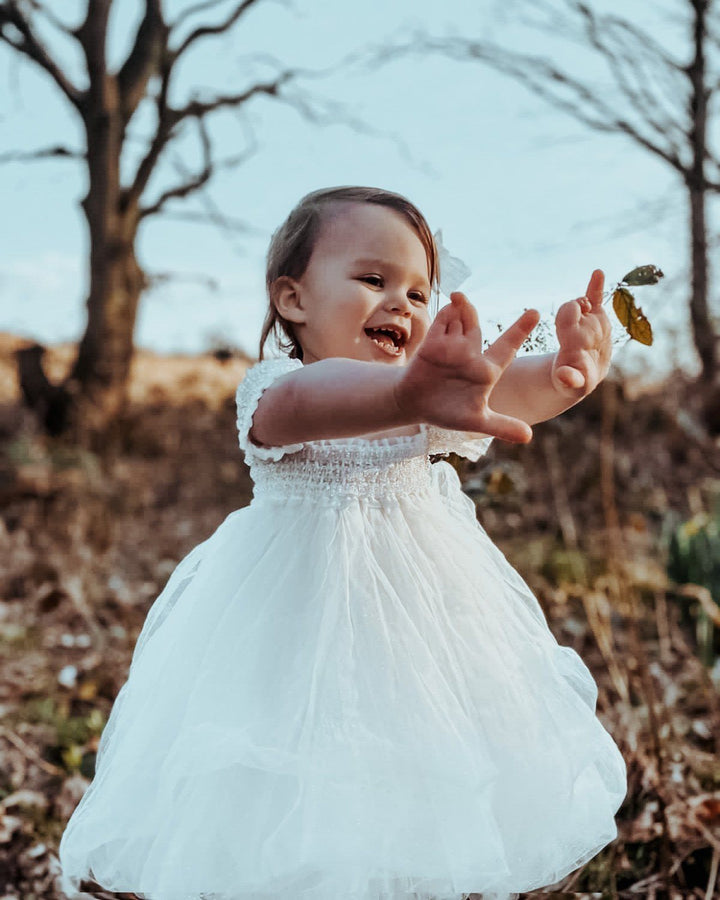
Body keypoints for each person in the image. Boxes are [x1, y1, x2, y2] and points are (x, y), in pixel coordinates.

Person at [58, 186, 627, 900]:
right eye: (373, 280)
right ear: (293, 299)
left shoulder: (424, 400)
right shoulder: (280, 388)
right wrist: (407, 396)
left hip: (420, 637)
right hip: (295, 643)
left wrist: (566, 376)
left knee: (418, 784)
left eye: (421, 293)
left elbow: (501, 394)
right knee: (297, 793)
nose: (403, 304)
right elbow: (315, 401)